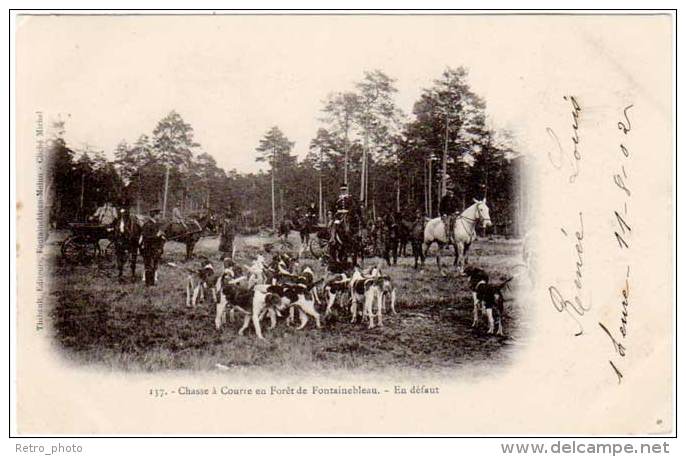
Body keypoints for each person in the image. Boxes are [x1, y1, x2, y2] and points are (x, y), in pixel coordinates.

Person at [140, 209, 165, 286]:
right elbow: (146, 237)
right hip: (148, 249)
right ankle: (148, 283)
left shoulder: (156, 224)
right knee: (148, 266)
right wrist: (157, 236)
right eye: (159, 215)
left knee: (154, 266)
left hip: (156, 249)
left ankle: (152, 283)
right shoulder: (147, 225)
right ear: (155, 215)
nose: (160, 216)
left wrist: (162, 237)